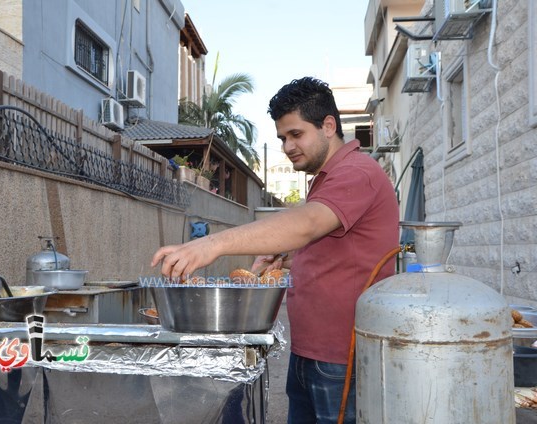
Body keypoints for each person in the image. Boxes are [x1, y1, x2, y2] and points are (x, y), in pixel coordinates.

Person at [151, 77, 399, 423]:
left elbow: (308, 224)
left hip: (342, 357)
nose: (287, 146)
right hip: (309, 352)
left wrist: (213, 244)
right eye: (282, 138)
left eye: (296, 134)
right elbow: (337, 245)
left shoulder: (357, 171)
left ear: (329, 126)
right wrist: (288, 257)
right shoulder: (327, 178)